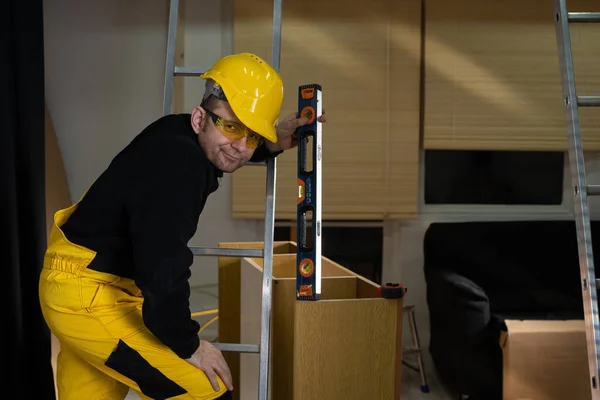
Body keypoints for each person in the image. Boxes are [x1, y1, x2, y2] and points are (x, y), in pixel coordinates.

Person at [38, 52, 325, 400]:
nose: (240, 147)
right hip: (87, 297)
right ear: (199, 116)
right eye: (231, 126)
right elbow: (163, 267)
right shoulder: (178, 169)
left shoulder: (176, 132)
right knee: (206, 390)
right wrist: (189, 345)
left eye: (250, 136)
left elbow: (224, 147)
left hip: (82, 284)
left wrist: (269, 143)